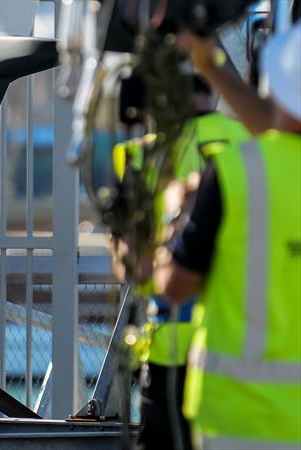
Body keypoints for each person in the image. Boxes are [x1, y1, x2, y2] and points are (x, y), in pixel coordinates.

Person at [156, 22, 301, 449]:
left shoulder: (238, 170)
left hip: (238, 421)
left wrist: (173, 218)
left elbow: (175, 286)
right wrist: (213, 67)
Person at [112, 77, 250, 450]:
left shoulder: (146, 155)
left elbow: (133, 268)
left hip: (171, 350)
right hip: (249, 346)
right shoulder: (252, 146)